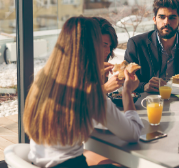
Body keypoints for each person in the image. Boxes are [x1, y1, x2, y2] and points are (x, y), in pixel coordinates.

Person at [23, 16, 144, 168]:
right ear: (90, 47)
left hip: (39, 163)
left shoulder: (43, 78)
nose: (107, 51)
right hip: (69, 165)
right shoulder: (91, 94)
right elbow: (132, 134)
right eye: (101, 44)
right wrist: (127, 91)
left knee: (104, 160)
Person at [93, 17, 123, 93]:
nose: (108, 51)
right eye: (104, 45)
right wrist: (105, 88)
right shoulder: (74, 66)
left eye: (110, 46)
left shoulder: (102, 64)